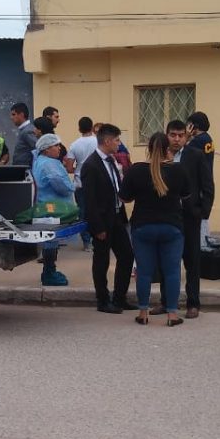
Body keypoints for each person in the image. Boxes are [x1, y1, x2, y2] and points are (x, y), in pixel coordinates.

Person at [121, 132, 190, 326]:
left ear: (148, 149)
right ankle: (172, 315)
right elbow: (186, 194)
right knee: (172, 272)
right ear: (168, 149)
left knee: (144, 271)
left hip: (143, 226)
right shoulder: (178, 170)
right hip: (172, 226)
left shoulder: (136, 170)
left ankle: (143, 313)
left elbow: (125, 197)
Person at [154, 119, 214, 318]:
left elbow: (207, 184)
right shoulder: (159, 155)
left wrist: (202, 212)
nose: (177, 139)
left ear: (186, 137)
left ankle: (193, 303)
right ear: (167, 135)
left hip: (189, 217)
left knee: (192, 261)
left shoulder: (195, 155)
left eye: (181, 135)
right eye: (173, 135)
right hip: (166, 216)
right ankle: (166, 301)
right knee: (166, 261)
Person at [81, 123, 136, 313]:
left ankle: (120, 298)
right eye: (117, 140)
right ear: (107, 141)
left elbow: (116, 187)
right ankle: (103, 300)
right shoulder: (91, 165)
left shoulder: (112, 161)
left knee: (127, 255)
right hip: (102, 221)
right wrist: (97, 227)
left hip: (117, 216)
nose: (119, 144)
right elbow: (90, 200)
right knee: (101, 261)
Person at [32, 133, 74, 287]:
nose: (59, 148)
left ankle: (49, 270)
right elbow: (60, 185)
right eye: (56, 145)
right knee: (51, 241)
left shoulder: (40, 161)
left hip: (46, 206)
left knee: (50, 240)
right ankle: (49, 272)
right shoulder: (49, 164)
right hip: (52, 208)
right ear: (46, 149)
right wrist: (72, 187)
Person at [66, 117, 99, 251]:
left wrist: (79, 169)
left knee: (83, 213)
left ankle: (86, 243)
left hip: (80, 183)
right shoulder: (98, 142)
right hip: (97, 182)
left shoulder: (74, 145)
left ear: (79, 129)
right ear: (92, 127)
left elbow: (69, 167)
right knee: (98, 211)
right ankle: (99, 239)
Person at [185, 111, 216, 248]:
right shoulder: (208, 139)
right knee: (203, 220)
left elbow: (183, 152)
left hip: (197, 184)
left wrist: (186, 136)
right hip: (206, 181)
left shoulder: (197, 142)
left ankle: (201, 247)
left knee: (199, 220)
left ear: (194, 126)